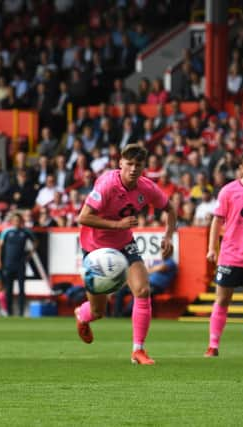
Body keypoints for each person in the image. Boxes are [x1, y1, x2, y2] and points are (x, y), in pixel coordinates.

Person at [75, 144, 176, 365]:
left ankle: (138, 350)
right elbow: (83, 217)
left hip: (124, 244)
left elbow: (170, 209)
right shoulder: (107, 185)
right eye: (129, 164)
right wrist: (118, 224)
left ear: (143, 167)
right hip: (95, 249)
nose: (133, 169)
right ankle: (82, 315)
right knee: (98, 311)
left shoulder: (146, 187)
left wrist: (168, 236)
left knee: (143, 289)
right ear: (120, 163)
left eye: (138, 165)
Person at [204, 148, 243, 357]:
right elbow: (217, 221)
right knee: (222, 300)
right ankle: (213, 346)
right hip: (231, 256)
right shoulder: (229, 191)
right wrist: (212, 248)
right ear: (241, 168)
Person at [0, 212, 37, 316]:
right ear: (12, 221)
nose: (17, 222)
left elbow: (36, 241)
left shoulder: (26, 232)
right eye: (15, 220)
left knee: (21, 289)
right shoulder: (7, 232)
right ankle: (9, 312)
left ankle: (21, 312)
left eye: (19, 220)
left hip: (20, 264)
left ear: (21, 221)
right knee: (8, 289)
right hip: (8, 263)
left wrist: (30, 255)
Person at [113, 250, 177, 317]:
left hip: (156, 287)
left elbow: (161, 268)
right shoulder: (159, 263)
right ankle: (117, 314)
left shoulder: (171, 262)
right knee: (121, 290)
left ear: (170, 253)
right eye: (162, 252)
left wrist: (147, 270)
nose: (163, 253)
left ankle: (127, 314)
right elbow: (148, 271)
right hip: (146, 284)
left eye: (165, 251)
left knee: (140, 292)